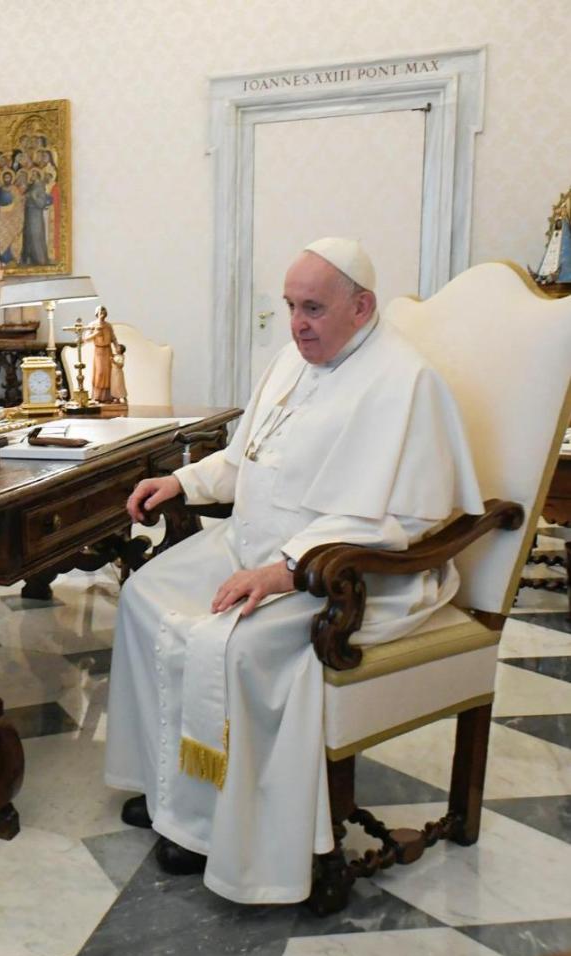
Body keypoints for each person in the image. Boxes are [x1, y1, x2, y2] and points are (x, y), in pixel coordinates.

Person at [104, 238, 484, 904]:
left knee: (237, 643)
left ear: (361, 307)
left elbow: (403, 520)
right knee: (143, 596)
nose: (297, 324)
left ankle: (222, 827)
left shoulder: (406, 381)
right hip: (251, 547)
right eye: (290, 306)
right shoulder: (290, 361)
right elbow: (245, 460)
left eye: (313, 308)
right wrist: (184, 483)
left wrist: (287, 571)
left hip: (348, 576)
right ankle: (173, 790)